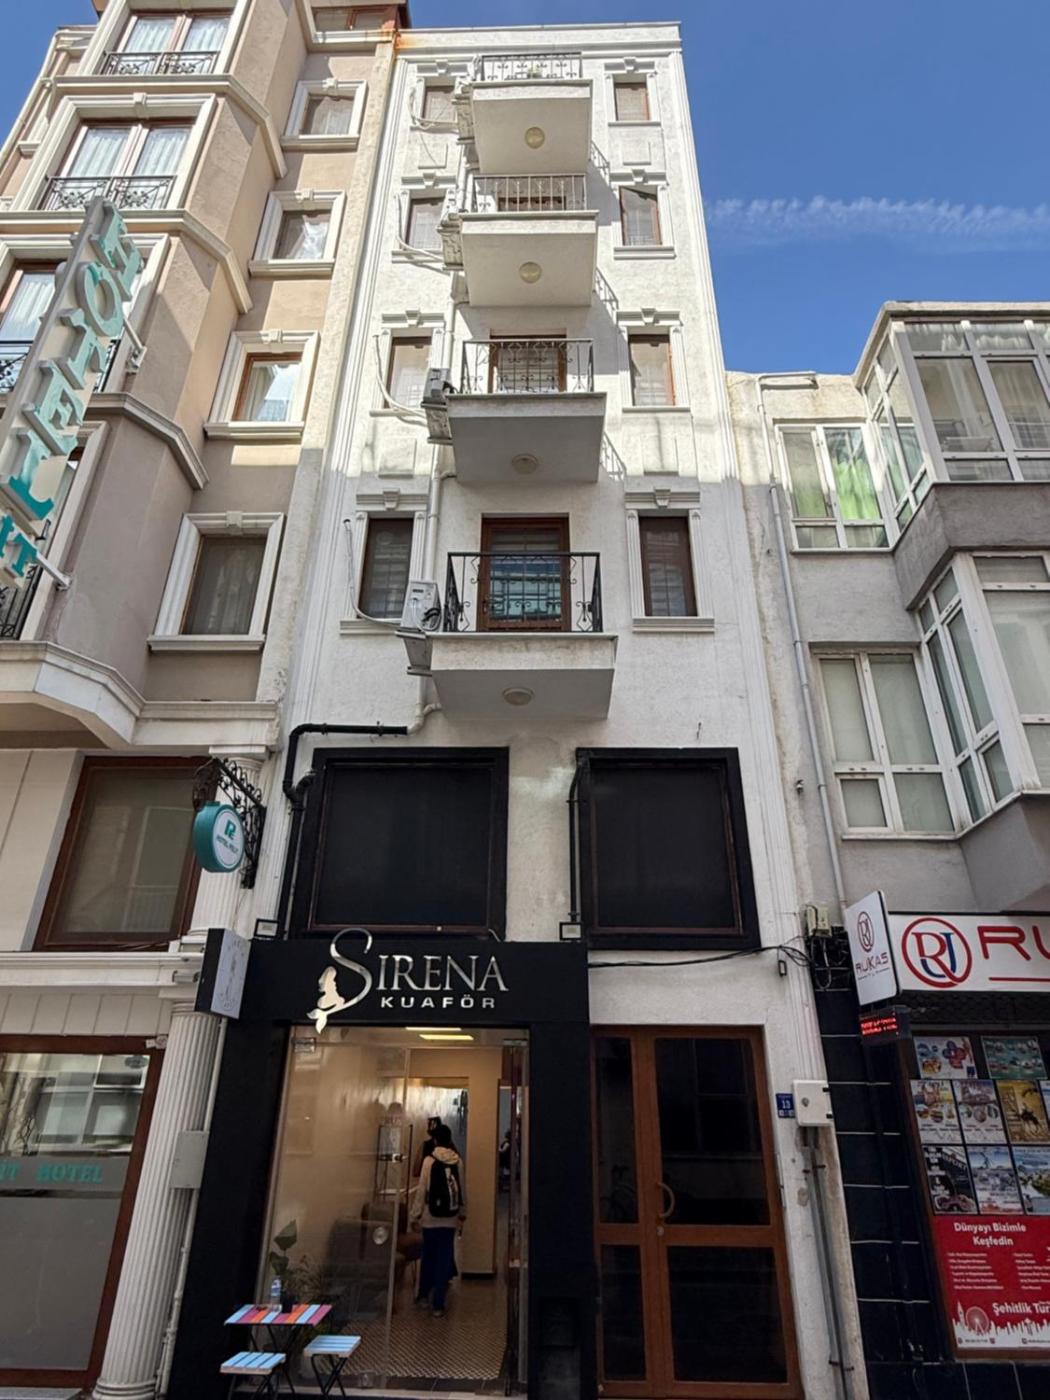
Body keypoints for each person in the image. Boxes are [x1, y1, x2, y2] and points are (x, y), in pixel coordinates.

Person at [410, 1123, 465, 1317]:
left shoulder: (429, 1161)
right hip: (450, 1218)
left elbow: (421, 1191)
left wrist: (414, 1215)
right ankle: (439, 1304)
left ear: (435, 1140)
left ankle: (424, 1295)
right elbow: (461, 1189)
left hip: (430, 1216)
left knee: (428, 1257)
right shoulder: (457, 1161)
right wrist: (462, 1212)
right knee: (444, 1258)